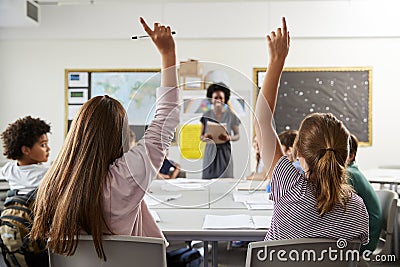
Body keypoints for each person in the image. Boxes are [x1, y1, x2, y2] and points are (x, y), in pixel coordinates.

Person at [30, 17, 180, 261]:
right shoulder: (126, 176)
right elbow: (166, 116)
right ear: (120, 134)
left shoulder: (55, 182)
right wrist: (168, 53)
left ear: (77, 133)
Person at [255, 17, 369, 243]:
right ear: (345, 157)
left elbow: (262, 120)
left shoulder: (289, 186)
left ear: (297, 153)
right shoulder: (357, 210)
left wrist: (277, 60)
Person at [347, 134, 382, 253]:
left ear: (351, 156)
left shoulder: (348, 174)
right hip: (366, 233)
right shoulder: (352, 171)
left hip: (364, 241)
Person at [1, 116, 51, 194]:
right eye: (43, 145)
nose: (48, 148)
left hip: (14, 204)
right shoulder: (47, 173)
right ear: (26, 150)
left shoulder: (8, 168)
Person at [200, 83, 240, 179]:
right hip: (210, 152)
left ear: (225, 99)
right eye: (215, 97)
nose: (218, 100)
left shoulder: (231, 115)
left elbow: (237, 135)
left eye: (221, 98)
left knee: (225, 180)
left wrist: (229, 137)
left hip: (224, 152)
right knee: (208, 180)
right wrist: (206, 137)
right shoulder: (206, 115)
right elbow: (201, 137)